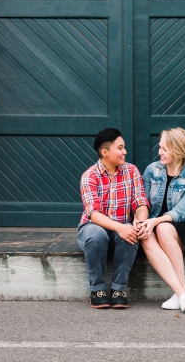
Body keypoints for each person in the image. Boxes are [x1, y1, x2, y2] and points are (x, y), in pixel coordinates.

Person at [77, 128, 149, 309]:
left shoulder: (131, 171)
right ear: (105, 152)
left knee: (131, 235)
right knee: (97, 234)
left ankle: (118, 289)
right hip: (91, 228)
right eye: (120, 148)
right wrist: (120, 227)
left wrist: (140, 220)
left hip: (121, 228)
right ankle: (97, 289)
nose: (125, 152)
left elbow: (140, 202)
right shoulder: (89, 176)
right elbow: (93, 214)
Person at [137, 127, 185, 312]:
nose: (159, 152)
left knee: (163, 228)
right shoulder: (153, 170)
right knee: (146, 234)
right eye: (160, 147)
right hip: (154, 225)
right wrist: (141, 220)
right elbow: (141, 200)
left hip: (184, 230)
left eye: (165, 149)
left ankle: (180, 292)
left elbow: (179, 213)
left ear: (178, 149)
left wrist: (154, 222)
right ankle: (182, 293)